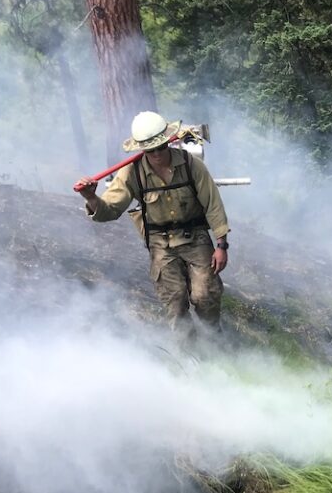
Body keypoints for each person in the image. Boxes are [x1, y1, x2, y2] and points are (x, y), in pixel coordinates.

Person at [76, 111, 230, 347]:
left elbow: (213, 204)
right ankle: (189, 356)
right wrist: (91, 197)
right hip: (160, 244)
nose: (157, 154)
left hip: (196, 238)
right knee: (175, 301)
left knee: (204, 295)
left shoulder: (191, 165)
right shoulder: (131, 172)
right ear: (141, 149)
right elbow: (109, 209)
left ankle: (215, 344)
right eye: (150, 150)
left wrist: (221, 245)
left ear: (168, 140)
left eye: (160, 147)